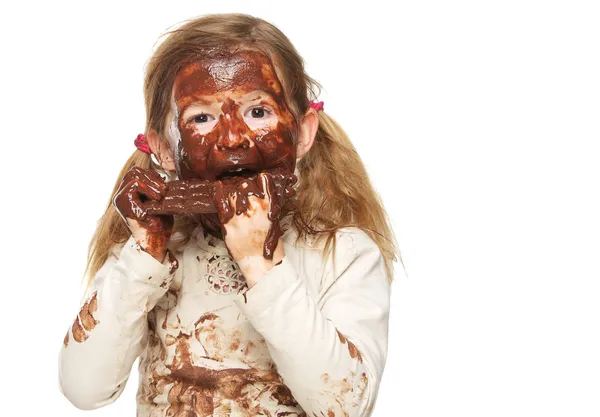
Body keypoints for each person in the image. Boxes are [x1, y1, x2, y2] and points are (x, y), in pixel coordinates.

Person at [58, 12, 399, 417]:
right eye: (201, 118)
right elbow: (84, 390)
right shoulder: (150, 254)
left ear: (303, 132)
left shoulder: (343, 253)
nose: (233, 137)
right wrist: (143, 256)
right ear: (163, 149)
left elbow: (346, 406)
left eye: (258, 112)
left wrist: (261, 264)